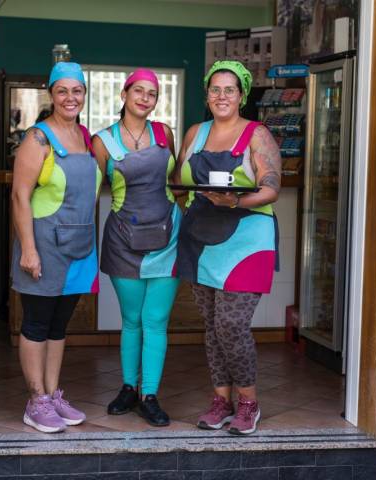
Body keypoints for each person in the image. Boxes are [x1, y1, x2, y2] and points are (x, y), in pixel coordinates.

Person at [174, 60, 282, 435]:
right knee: (211, 327)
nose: (222, 96)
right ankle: (221, 401)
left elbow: (271, 186)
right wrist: (189, 206)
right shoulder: (194, 133)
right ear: (207, 94)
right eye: (215, 89)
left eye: (230, 90)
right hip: (201, 240)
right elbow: (177, 182)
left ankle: (248, 403)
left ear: (241, 96)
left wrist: (234, 202)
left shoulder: (257, 134)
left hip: (247, 240)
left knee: (232, 325)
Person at [10, 62, 100, 434]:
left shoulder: (85, 137)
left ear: (84, 94)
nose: (70, 98)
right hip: (45, 245)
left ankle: (52, 394)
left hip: (80, 245)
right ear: (51, 94)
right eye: (62, 91)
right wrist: (28, 249)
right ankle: (36, 402)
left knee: (59, 325)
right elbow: (19, 195)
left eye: (76, 91)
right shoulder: (38, 139)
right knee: (36, 323)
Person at [92, 69, 180, 427]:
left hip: (168, 238)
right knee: (131, 320)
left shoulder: (165, 133)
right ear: (124, 95)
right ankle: (128, 388)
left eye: (152, 93)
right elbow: (92, 190)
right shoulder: (103, 141)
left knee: (155, 320)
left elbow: (175, 181)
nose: (145, 98)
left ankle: (150, 395)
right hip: (123, 241)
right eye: (138, 91)